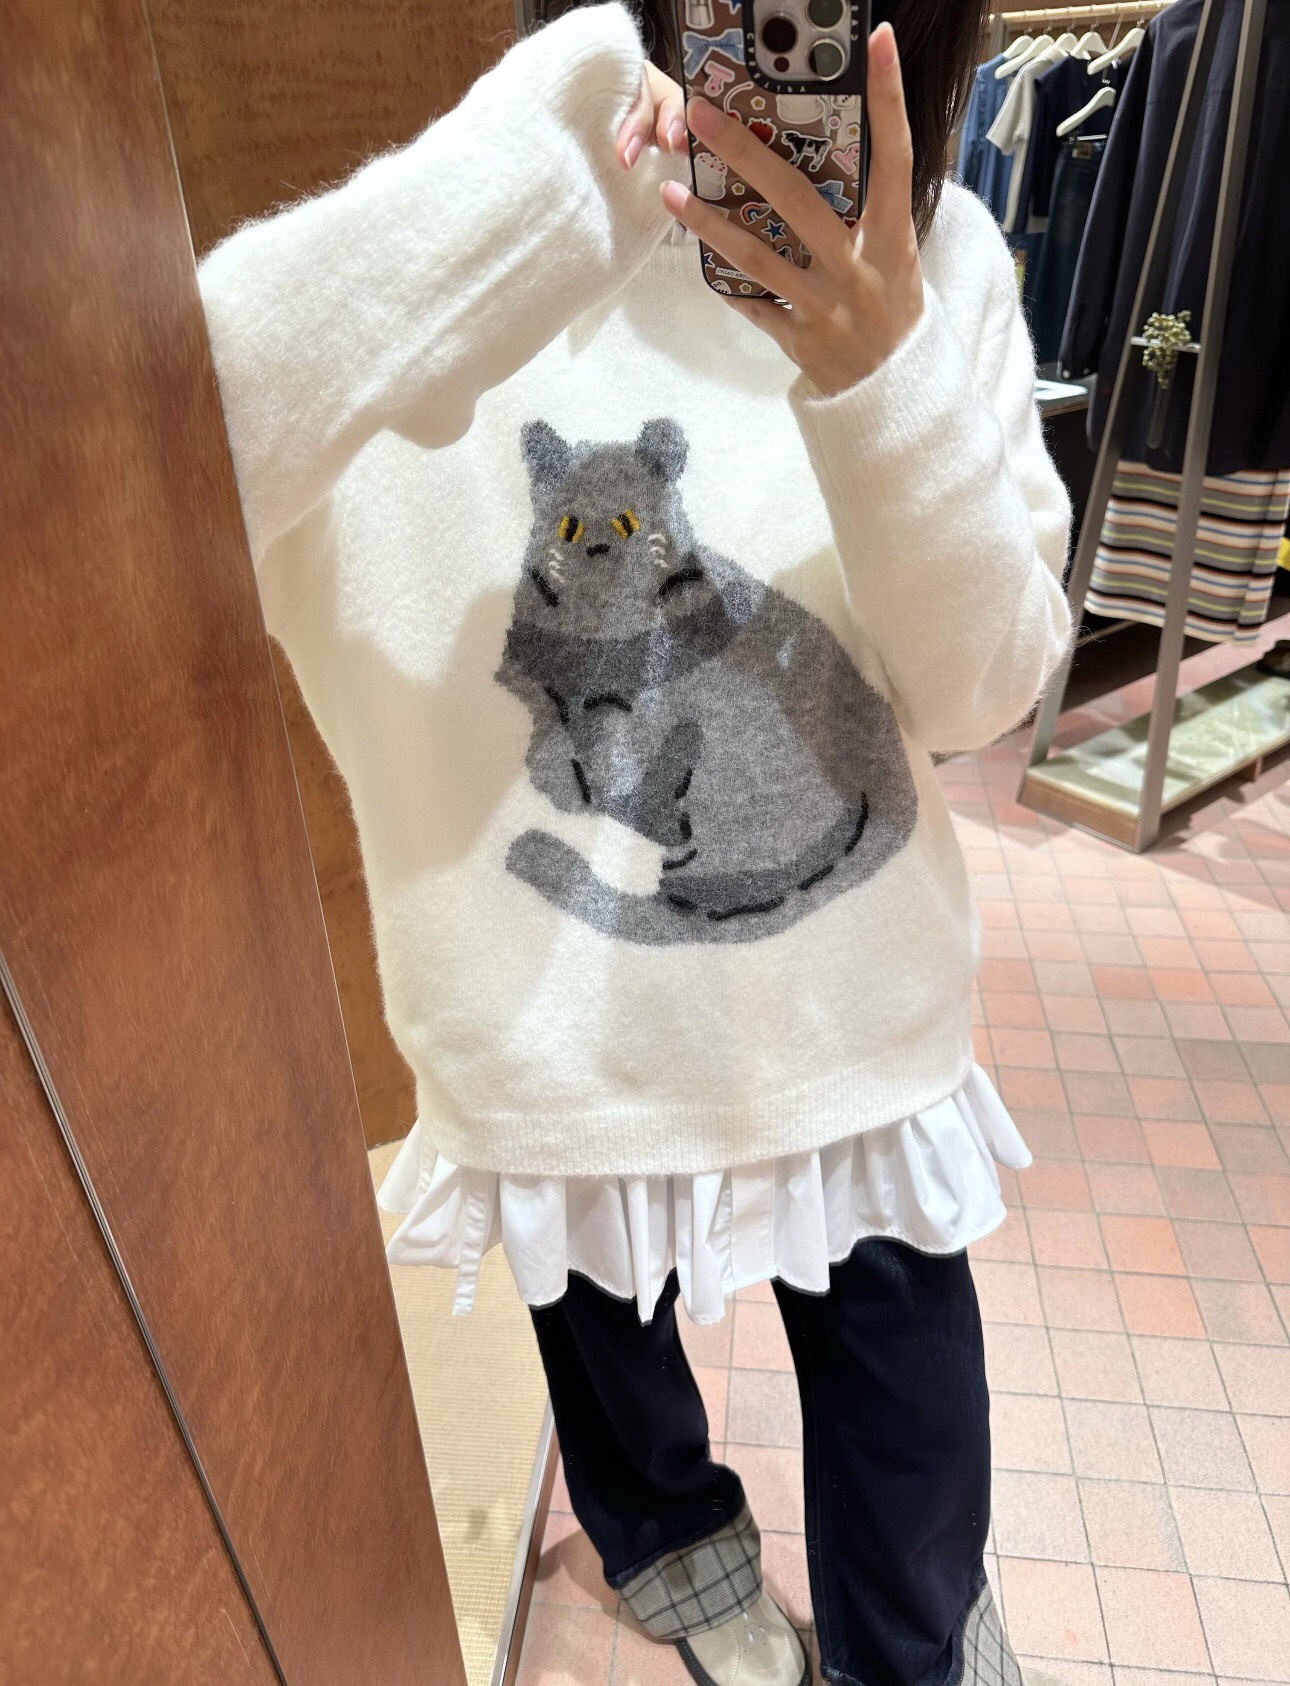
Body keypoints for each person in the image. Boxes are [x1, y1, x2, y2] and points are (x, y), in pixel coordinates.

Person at [198, 4, 1072, 1684]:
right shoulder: (480, 226)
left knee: (902, 1377)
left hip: (854, 1008)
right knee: (601, 1328)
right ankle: (679, 1555)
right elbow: (147, 467)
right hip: (544, 1021)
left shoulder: (934, 255)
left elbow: (978, 694)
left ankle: (908, 1642)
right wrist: (538, 172)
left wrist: (879, 374)